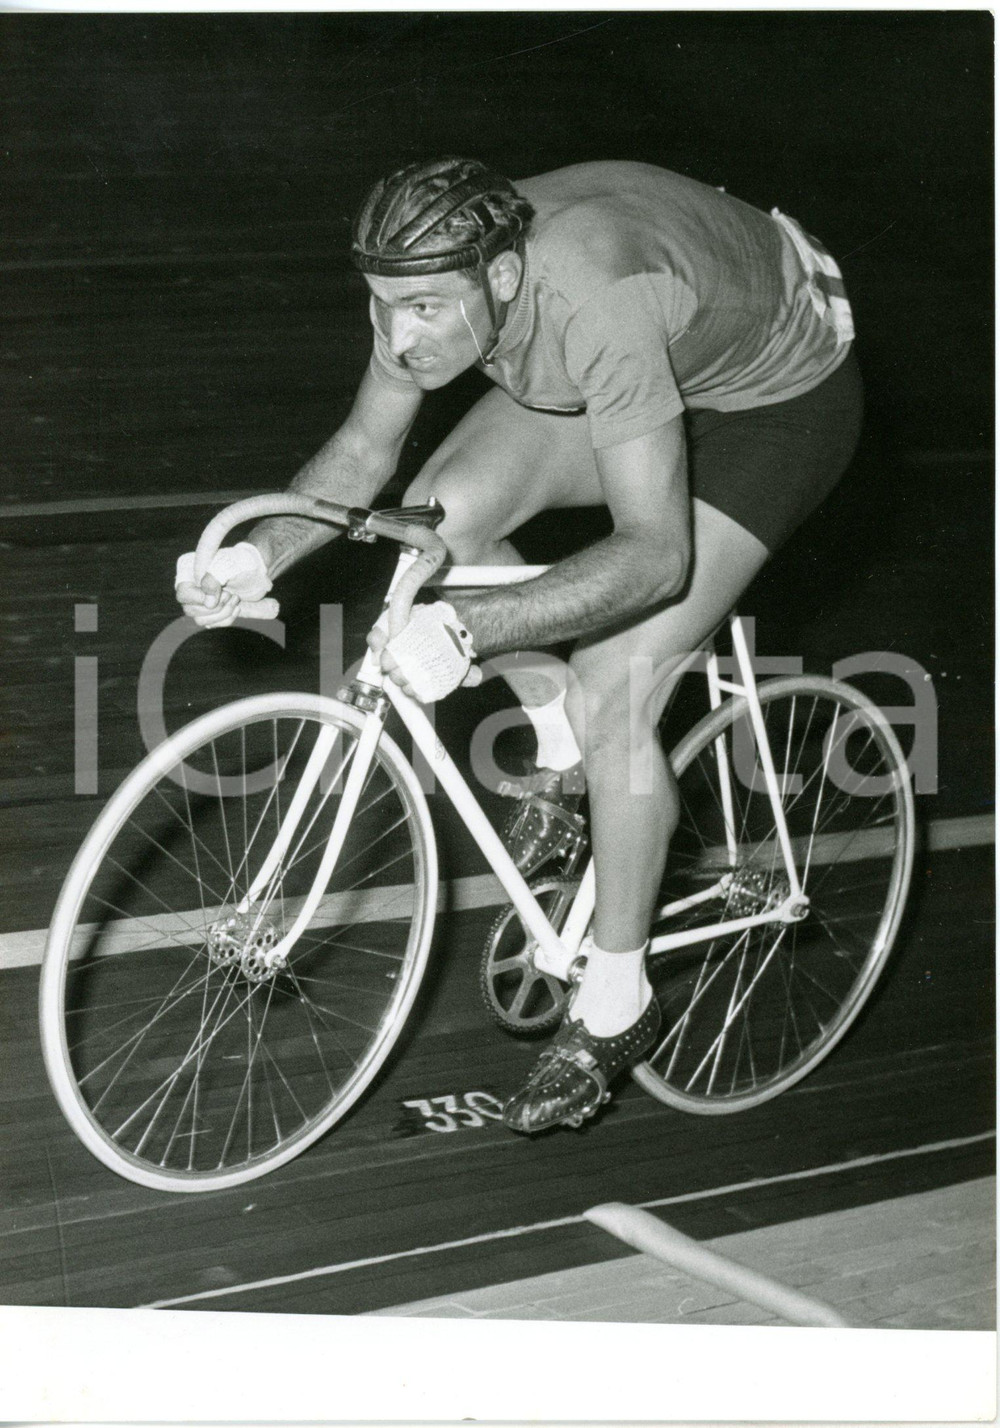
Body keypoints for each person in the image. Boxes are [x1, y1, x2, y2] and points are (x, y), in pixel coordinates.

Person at [176, 156, 863, 1135]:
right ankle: (562, 752)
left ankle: (617, 1002)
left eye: (420, 312)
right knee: (437, 527)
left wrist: (471, 628)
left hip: (773, 406)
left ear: (499, 279)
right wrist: (257, 562)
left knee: (613, 679)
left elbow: (656, 559)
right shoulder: (437, 264)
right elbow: (367, 454)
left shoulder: (595, 300)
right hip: (649, 355)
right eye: (379, 307)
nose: (396, 339)